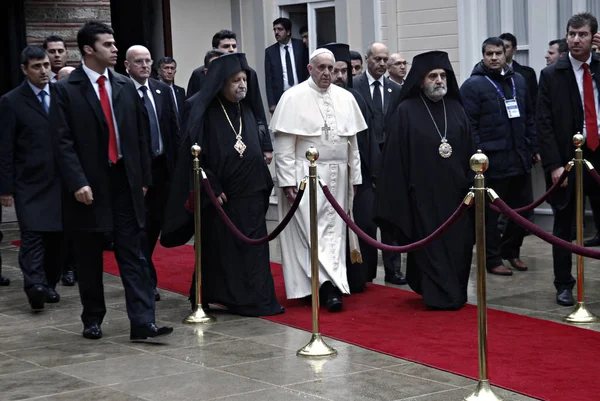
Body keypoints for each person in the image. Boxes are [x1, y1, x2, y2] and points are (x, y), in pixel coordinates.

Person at [51, 21, 173, 340]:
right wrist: (77, 181)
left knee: (134, 252)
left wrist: (144, 177)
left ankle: (143, 320)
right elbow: (61, 142)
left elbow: (141, 135)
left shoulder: (124, 85)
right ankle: (92, 317)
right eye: (107, 44)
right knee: (89, 254)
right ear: (89, 50)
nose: (115, 49)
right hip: (88, 185)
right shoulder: (67, 89)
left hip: (124, 181)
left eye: (114, 43)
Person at [161, 53, 283, 317]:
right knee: (221, 251)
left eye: (244, 79)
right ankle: (220, 296)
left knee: (254, 252)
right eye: (235, 80)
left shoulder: (246, 108)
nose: (242, 85)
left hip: (250, 194)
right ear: (220, 83)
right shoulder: (200, 109)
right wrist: (212, 187)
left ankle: (256, 299)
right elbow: (194, 155)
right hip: (221, 197)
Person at [375, 51, 475, 310]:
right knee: (430, 247)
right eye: (433, 76)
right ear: (420, 81)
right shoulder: (406, 111)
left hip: (457, 197)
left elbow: (469, 150)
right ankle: (437, 295)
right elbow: (395, 158)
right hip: (422, 197)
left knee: (458, 247)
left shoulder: (456, 108)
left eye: (443, 76)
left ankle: (455, 291)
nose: (439, 81)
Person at [271, 48, 366, 312]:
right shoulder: (292, 97)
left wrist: (355, 177)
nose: (327, 73)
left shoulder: (345, 98)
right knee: (310, 232)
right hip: (306, 175)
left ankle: (330, 283)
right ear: (309, 69)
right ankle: (326, 287)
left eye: (332, 68)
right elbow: (284, 145)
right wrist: (288, 180)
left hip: (339, 174)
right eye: (321, 68)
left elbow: (353, 144)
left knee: (334, 233)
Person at [461, 37, 537, 276]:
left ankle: (511, 251)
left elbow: (529, 117)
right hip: (491, 162)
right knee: (490, 217)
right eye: (489, 54)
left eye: (498, 53)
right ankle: (492, 258)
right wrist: (479, 156)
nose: (493, 58)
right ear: (483, 56)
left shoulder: (519, 81)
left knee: (523, 210)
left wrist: (531, 147)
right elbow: (469, 126)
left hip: (519, 157)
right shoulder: (473, 85)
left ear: (506, 54)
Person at [538, 13, 600, 306]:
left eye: (583, 35)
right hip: (567, 157)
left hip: (599, 156)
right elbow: (544, 123)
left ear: (593, 38)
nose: (576, 40)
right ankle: (563, 284)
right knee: (564, 225)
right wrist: (553, 165)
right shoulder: (552, 74)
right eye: (572, 34)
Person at [0, 46, 63, 308]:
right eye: (37, 66)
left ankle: (48, 283)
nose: (44, 71)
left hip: (61, 181)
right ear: (25, 69)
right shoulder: (12, 101)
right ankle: (34, 284)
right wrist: (6, 187)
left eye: (46, 65)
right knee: (33, 234)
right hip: (29, 182)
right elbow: (5, 147)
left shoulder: (62, 95)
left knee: (57, 238)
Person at [324, 42, 380, 292]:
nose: (338, 76)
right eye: (334, 71)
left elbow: (367, 140)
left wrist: (373, 175)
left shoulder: (355, 97)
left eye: (343, 71)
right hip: (327, 177)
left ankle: (360, 277)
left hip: (359, 176)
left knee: (364, 223)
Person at [125, 45, 179, 302]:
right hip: (137, 172)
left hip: (162, 169)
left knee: (154, 226)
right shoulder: (122, 92)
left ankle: (145, 274)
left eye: (147, 61)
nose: (145, 66)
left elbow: (172, 131)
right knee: (139, 229)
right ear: (127, 65)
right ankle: (146, 280)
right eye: (139, 62)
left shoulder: (162, 91)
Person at [353, 42, 404, 285]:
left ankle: (394, 270)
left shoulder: (396, 89)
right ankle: (365, 270)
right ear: (367, 59)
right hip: (363, 159)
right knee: (366, 217)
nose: (383, 63)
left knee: (391, 218)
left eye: (386, 59)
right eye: (378, 59)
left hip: (390, 159)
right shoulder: (355, 86)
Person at [264, 17, 309, 114]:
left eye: (280, 29)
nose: (276, 32)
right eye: (274, 29)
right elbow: (269, 79)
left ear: (288, 32)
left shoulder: (301, 45)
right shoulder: (270, 51)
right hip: (282, 97)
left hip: (301, 94)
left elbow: (307, 70)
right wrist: (271, 103)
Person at [186, 30, 238, 97]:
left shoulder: (244, 71)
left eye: (234, 46)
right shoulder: (199, 73)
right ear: (215, 49)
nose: (231, 50)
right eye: (226, 46)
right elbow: (191, 103)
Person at [499, 32, 538, 114]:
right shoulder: (488, 72)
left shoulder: (527, 74)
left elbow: (534, 103)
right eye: (500, 47)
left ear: (514, 50)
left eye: (506, 47)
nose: (502, 50)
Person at [156, 56, 185, 125]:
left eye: (172, 68)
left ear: (175, 71)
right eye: (166, 68)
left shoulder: (180, 91)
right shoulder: (153, 90)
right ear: (159, 71)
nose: (169, 72)